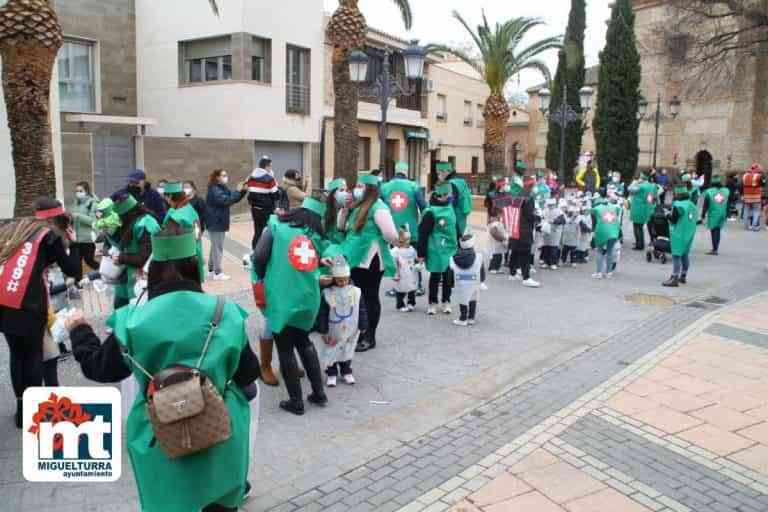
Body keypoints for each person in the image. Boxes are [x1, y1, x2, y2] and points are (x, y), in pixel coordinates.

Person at [67, 224, 260, 512]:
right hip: (220, 436)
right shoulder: (226, 312)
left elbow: (100, 369)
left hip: (161, 440)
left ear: (153, 269)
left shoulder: (132, 321)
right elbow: (248, 373)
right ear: (195, 266)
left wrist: (80, 329)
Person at [0, 198, 81, 428]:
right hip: (30, 303)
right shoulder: (49, 237)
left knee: (17, 354)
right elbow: (73, 270)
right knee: (33, 355)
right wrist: (74, 243)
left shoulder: (16, 228)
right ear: (57, 218)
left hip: (4, 299)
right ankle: (34, 409)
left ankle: (21, 409)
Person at [252, 196, 336, 415]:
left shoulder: (276, 227)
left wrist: (264, 277)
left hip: (282, 297)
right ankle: (319, 393)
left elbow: (259, 256)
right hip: (308, 297)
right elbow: (330, 254)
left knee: (285, 347)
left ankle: (296, 402)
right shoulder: (314, 236)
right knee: (304, 341)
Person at [342, 172, 398, 352]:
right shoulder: (357, 206)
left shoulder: (379, 207)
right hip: (355, 258)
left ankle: (369, 336)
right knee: (358, 298)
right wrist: (345, 208)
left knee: (370, 297)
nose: (356, 189)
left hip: (371, 260)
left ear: (369, 189)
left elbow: (391, 234)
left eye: (360, 186)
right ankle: (359, 331)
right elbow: (341, 226)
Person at [316, 255, 368, 387]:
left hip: (351, 328)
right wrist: (322, 328)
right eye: (339, 281)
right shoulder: (328, 293)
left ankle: (346, 371)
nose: (343, 283)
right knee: (331, 351)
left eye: (345, 280)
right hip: (333, 329)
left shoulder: (356, 292)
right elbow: (323, 312)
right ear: (334, 279)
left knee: (347, 350)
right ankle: (331, 373)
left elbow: (361, 309)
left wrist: (363, 324)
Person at [381, 162, 427, 296]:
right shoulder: (413, 186)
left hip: (393, 231)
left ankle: (396, 288)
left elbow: (380, 208)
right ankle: (416, 286)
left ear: (395, 172)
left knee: (396, 260)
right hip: (411, 230)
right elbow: (423, 206)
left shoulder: (385, 187)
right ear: (406, 172)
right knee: (413, 259)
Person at [110, 192, 161, 309]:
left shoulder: (145, 224)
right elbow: (122, 243)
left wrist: (121, 258)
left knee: (136, 312)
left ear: (127, 213)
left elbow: (146, 256)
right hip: (127, 276)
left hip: (142, 279)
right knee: (120, 307)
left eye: (121, 216)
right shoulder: (131, 223)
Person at [418, 182, 460, 314]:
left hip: (450, 248)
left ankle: (446, 301)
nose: (450, 196)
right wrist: (421, 253)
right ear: (441, 195)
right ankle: (432, 303)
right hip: (435, 249)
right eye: (448, 194)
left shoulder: (450, 208)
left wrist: (461, 242)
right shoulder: (430, 212)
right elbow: (423, 233)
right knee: (435, 276)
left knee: (448, 276)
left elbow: (455, 226)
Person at [206, 169, 248, 280]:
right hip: (216, 222)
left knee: (214, 247)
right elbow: (227, 201)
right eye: (223, 175)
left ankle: (211, 270)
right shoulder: (214, 189)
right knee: (217, 247)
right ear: (217, 177)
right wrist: (238, 191)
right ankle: (217, 273)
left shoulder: (221, 188)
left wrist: (242, 191)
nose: (226, 177)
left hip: (218, 221)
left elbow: (232, 198)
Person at [164, 181, 205, 283]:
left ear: (169, 197)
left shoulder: (176, 217)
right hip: (196, 252)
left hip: (183, 259)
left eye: (165, 197)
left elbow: (167, 242)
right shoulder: (189, 208)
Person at [507, 177, 540, 287]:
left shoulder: (516, 196)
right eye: (534, 185)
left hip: (514, 227)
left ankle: (512, 273)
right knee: (525, 253)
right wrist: (538, 218)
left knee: (515, 251)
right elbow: (529, 215)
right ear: (530, 186)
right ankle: (526, 277)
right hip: (524, 229)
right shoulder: (528, 198)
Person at [663, 187, 699, 287]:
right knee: (685, 254)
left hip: (679, 233)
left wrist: (667, 214)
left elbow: (673, 219)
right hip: (689, 233)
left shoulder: (678, 205)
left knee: (676, 255)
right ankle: (683, 276)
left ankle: (674, 278)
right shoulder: (692, 205)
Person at [450, 233, 485, 327]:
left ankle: (463, 318)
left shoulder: (453, 257)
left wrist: (451, 284)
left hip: (460, 282)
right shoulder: (478, 257)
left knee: (462, 299)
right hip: (474, 281)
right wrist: (482, 281)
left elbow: (450, 271)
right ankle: (471, 318)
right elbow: (481, 270)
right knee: (473, 298)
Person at [248, 156, 280, 248]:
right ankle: (264, 252)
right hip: (266, 209)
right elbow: (276, 195)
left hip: (254, 209)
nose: (271, 168)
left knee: (257, 231)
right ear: (266, 166)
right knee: (268, 232)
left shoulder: (251, 177)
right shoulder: (269, 178)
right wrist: (274, 182)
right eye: (270, 166)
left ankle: (254, 250)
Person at [70, 181, 99, 277]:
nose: (78, 193)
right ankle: (78, 283)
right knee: (76, 263)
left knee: (89, 260)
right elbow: (72, 218)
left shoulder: (93, 204)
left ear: (86, 191)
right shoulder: (75, 203)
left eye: (80, 191)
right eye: (76, 191)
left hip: (87, 239)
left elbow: (92, 221)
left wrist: (78, 216)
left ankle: (103, 272)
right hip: (75, 239)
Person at [436, 161, 473, 236]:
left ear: (446, 171)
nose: (438, 176)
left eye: (439, 173)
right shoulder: (460, 182)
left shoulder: (451, 184)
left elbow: (450, 204)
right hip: (461, 218)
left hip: (454, 222)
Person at [591, 195, 622, 279]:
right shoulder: (615, 207)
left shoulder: (596, 209)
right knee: (610, 251)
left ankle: (599, 272)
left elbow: (591, 213)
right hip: (614, 231)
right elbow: (618, 211)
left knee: (599, 251)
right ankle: (609, 272)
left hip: (602, 231)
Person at [391, 227, 419, 312]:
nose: (408, 241)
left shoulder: (412, 249)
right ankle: (400, 305)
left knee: (412, 289)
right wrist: (395, 274)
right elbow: (393, 263)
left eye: (409, 239)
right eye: (406, 239)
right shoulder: (395, 251)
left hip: (411, 272)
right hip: (401, 273)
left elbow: (416, 259)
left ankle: (411, 303)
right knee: (401, 290)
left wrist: (418, 264)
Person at [628, 173, 658, 250]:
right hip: (647, 208)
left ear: (641, 178)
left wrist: (635, 182)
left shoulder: (640, 186)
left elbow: (629, 189)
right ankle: (641, 242)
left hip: (638, 209)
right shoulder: (652, 186)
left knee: (637, 227)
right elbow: (655, 196)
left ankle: (639, 244)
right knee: (640, 227)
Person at [702, 175, 730, 255]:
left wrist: (703, 214)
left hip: (713, 214)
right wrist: (728, 213)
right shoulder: (726, 191)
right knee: (718, 230)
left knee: (713, 231)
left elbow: (706, 204)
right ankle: (716, 248)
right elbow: (728, 203)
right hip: (722, 213)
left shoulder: (709, 191)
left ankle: (714, 249)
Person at [540, 199, 565, 270]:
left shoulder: (559, 212)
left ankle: (553, 263)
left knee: (553, 248)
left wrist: (554, 221)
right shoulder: (544, 211)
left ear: (555, 205)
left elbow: (563, 221)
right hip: (546, 231)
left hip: (555, 232)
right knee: (546, 248)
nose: (550, 206)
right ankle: (546, 262)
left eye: (552, 205)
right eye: (549, 205)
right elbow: (541, 219)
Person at [324, 178, 350, 245]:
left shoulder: (346, 209)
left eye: (346, 190)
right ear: (333, 194)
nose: (345, 193)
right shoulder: (325, 210)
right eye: (341, 190)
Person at [742, 163, 765, 231]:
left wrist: (742, 194)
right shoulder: (758, 176)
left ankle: (745, 225)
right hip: (756, 195)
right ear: (757, 169)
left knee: (746, 210)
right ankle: (754, 226)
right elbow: (763, 183)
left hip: (746, 195)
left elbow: (741, 185)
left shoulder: (744, 175)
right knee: (756, 211)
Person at [561, 202, 581, 267]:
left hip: (574, 237)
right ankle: (563, 260)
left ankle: (573, 261)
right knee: (565, 250)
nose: (573, 214)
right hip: (567, 237)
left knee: (573, 251)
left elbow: (579, 229)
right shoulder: (566, 218)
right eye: (571, 212)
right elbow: (568, 222)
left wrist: (578, 235)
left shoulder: (579, 219)